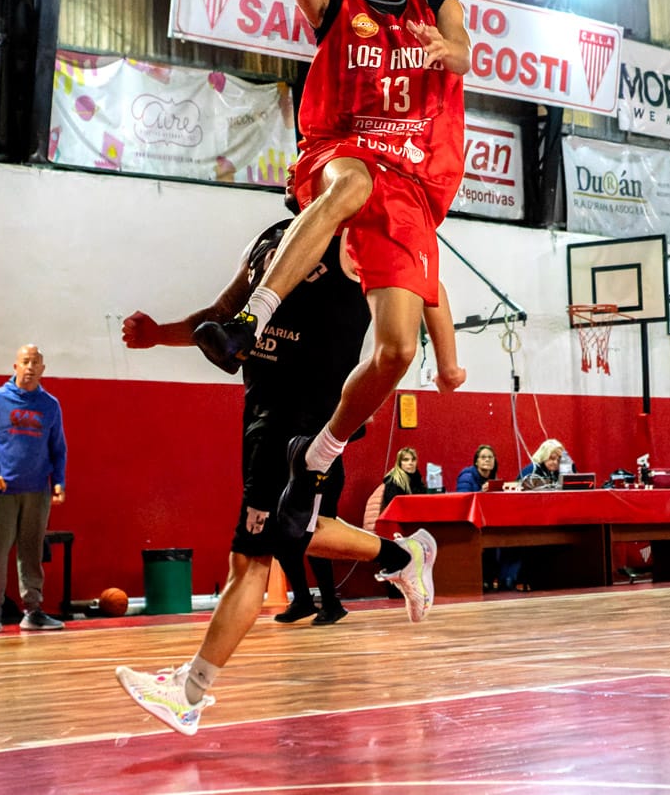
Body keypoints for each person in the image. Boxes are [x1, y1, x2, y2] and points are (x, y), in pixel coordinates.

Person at [195, 0, 469, 544]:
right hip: (344, 152)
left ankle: (316, 455)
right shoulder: (336, 6)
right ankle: (254, 317)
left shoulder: (435, 6)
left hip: (413, 185)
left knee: (395, 350)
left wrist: (449, 54)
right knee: (348, 182)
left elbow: (461, 46)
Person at [115, 218, 452, 736]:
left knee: (250, 556)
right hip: (260, 407)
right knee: (299, 531)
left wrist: (448, 363)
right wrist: (160, 335)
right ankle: (404, 555)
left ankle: (189, 691)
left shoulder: (356, 234)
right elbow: (222, 314)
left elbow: (427, 285)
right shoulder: (272, 236)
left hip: (306, 421)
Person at [0, 344, 67, 634]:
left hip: (37, 491)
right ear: (15, 367)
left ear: (43, 369)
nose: (30, 367)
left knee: (32, 552)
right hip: (0, 493)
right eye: (25, 362)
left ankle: (33, 611)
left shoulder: (50, 405)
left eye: (36, 362)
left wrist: (58, 481)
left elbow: (58, 449)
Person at [456, 445, 519, 590]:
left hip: (488, 522)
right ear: (476, 462)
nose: (487, 460)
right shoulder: (467, 476)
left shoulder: (493, 479)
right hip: (470, 524)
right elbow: (462, 500)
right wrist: (480, 492)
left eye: (490, 457)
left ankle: (505, 579)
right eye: (483, 457)